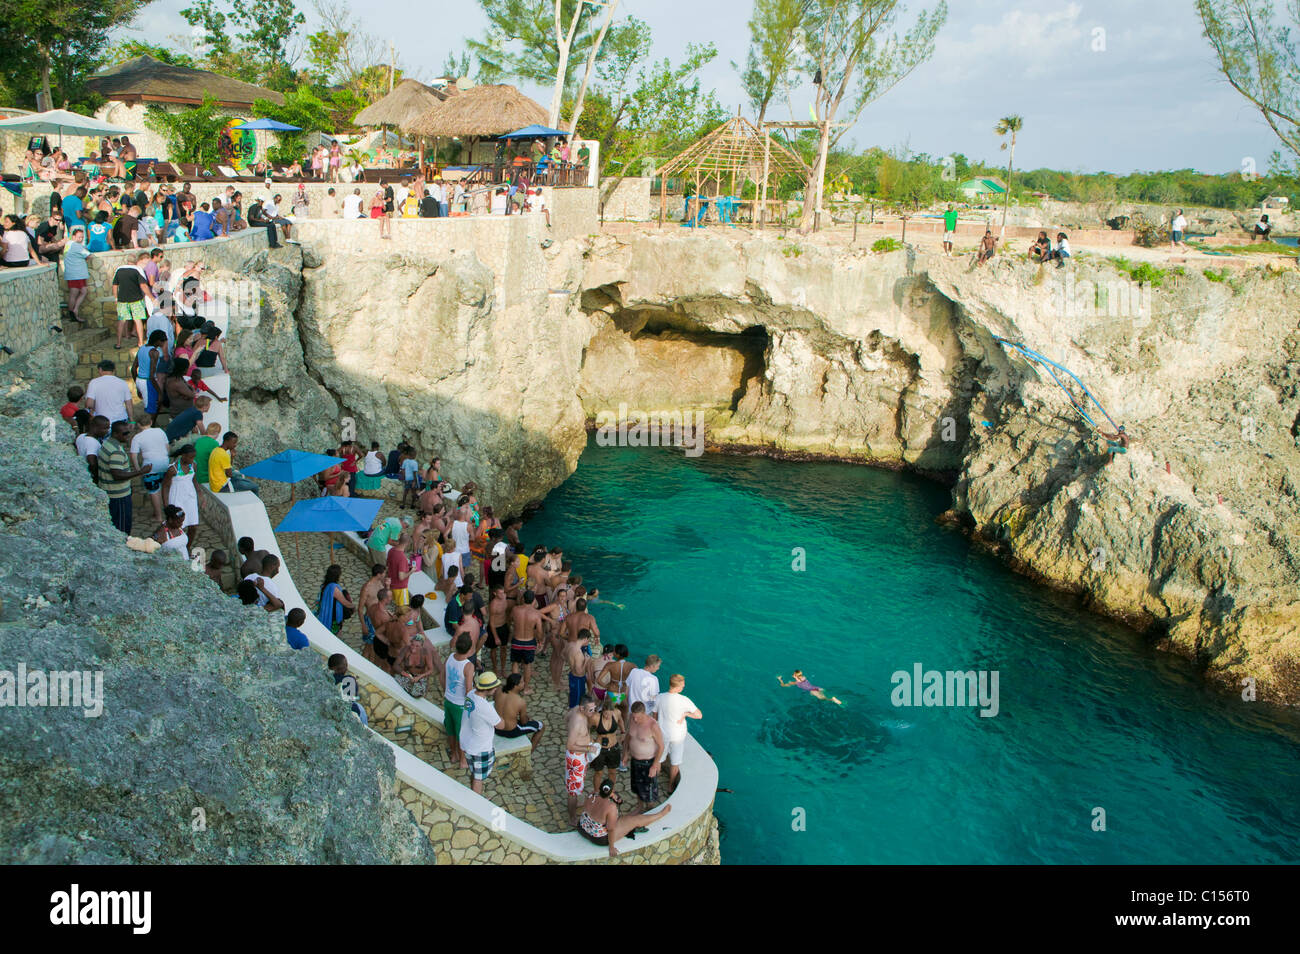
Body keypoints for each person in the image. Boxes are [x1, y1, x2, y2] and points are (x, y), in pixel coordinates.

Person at [576, 780, 671, 858]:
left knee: (619, 820)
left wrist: (611, 795)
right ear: (611, 791)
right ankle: (661, 814)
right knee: (634, 820)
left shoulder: (592, 794)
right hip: (598, 838)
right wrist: (611, 847)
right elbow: (611, 829)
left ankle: (630, 817)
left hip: (582, 828)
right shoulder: (610, 807)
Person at [98, 419, 149, 534]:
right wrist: (140, 472)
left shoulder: (107, 444)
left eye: (128, 433)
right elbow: (117, 474)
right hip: (118, 495)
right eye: (124, 433)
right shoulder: (116, 451)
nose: (127, 436)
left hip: (110, 491)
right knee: (122, 527)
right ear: (116, 433)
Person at [460, 671, 506, 794]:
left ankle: (474, 796)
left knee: (474, 773)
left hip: (467, 742)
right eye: (495, 686)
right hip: (481, 747)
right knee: (478, 779)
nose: (496, 689)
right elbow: (501, 725)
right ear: (488, 689)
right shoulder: (485, 707)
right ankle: (477, 805)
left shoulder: (470, 694)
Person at [656, 673, 701, 793]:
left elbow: (655, 716)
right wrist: (686, 714)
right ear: (678, 686)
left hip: (663, 734)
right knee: (675, 762)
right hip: (677, 736)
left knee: (659, 759)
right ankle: (670, 787)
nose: (684, 687)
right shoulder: (684, 700)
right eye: (683, 685)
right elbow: (699, 715)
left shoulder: (660, 697)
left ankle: (654, 784)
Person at [128, 409, 171, 526]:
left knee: (154, 490)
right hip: (164, 462)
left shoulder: (137, 437)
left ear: (138, 424)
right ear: (151, 422)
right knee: (165, 488)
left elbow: (133, 455)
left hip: (150, 465)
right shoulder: (160, 431)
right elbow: (167, 447)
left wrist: (138, 469)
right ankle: (168, 513)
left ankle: (158, 515)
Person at [565, 694, 601, 824]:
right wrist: (588, 749)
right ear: (582, 708)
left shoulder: (575, 710)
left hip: (580, 756)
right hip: (576, 757)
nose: (593, 712)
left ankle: (575, 805)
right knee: (572, 791)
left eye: (594, 708)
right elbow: (569, 745)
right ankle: (572, 818)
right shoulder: (578, 723)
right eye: (590, 710)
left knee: (575, 787)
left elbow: (566, 718)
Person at [626, 701, 665, 814]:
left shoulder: (653, 726)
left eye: (637, 717)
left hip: (648, 763)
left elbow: (661, 746)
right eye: (633, 717)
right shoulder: (632, 719)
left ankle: (650, 810)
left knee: (649, 791)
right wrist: (625, 753)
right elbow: (628, 736)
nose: (635, 720)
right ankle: (639, 807)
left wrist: (655, 765)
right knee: (637, 787)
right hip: (635, 761)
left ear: (644, 713)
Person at [444, 632, 475, 768]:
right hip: (460, 704)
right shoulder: (468, 666)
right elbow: (468, 690)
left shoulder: (450, 657)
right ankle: (463, 761)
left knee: (450, 729)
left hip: (448, 700)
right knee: (461, 733)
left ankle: (454, 755)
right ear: (469, 649)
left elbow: (442, 676)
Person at [161, 443, 200, 549]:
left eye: (194, 457)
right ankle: (178, 547)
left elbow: (194, 480)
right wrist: (166, 506)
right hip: (177, 500)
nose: (193, 459)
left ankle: (187, 547)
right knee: (178, 525)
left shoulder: (193, 466)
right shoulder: (173, 469)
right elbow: (164, 487)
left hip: (190, 499)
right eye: (191, 457)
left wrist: (200, 494)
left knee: (193, 526)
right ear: (183, 455)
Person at [112, 251, 154, 349]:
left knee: (121, 321)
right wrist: (151, 297)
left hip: (122, 299)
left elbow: (114, 285)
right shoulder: (137, 270)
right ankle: (140, 342)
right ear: (136, 261)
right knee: (138, 320)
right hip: (136, 299)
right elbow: (143, 285)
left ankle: (118, 343)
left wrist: (116, 297)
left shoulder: (119, 270)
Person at [494, 672, 545, 750]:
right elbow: (523, 722)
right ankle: (529, 753)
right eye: (522, 682)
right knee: (542, 726)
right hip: (510, 731)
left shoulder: (499, 690)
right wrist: (527, 718)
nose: (524, 683)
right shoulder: (520, 701)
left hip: (496, 728)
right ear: (515, 686)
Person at [589, 693, 625, 793]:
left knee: (612, 772)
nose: (607, 716)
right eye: (605, 714)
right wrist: (591, 741)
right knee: (598, 772)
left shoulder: (617, 713)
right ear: (602, 711)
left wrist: (623, 732)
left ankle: (611, 792)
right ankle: (596, 792)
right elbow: (586, 729)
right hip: (600, 749)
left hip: (613, 748)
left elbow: (621, 721)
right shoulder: (596, 717)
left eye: (609, 714)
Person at [84, 359, 134, 425]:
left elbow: (89, 404)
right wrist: (131, 420)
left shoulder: (94, 382)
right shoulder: (122, 382)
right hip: (121, 419)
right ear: (113, 370)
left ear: (100, 369)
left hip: (102, 421)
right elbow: (129, 403)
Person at [329, 653, 368, 723]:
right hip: (350, 715)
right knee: (360, 708)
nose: (347, 667)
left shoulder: (325, 679)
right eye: (345, 665)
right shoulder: (349, 680)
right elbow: (349, 701)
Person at [317, 564, 355, 634]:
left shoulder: (324, 585)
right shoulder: (334, 589)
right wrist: (353, 606)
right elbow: (344, 602)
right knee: (335, 634)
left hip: (325, 612)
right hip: (332, 616)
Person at [778, 670, 842, 704]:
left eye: (794, 674)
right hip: (817, 688)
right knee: (825, 694)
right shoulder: (804, 678)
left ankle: (832, 700)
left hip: (813, 691)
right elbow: (800, 679)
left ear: (795, 676)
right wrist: (796, 676)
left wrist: (780, 679)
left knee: (823, 699)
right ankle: (833, 698)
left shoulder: (796, 682)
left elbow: (783, 685)